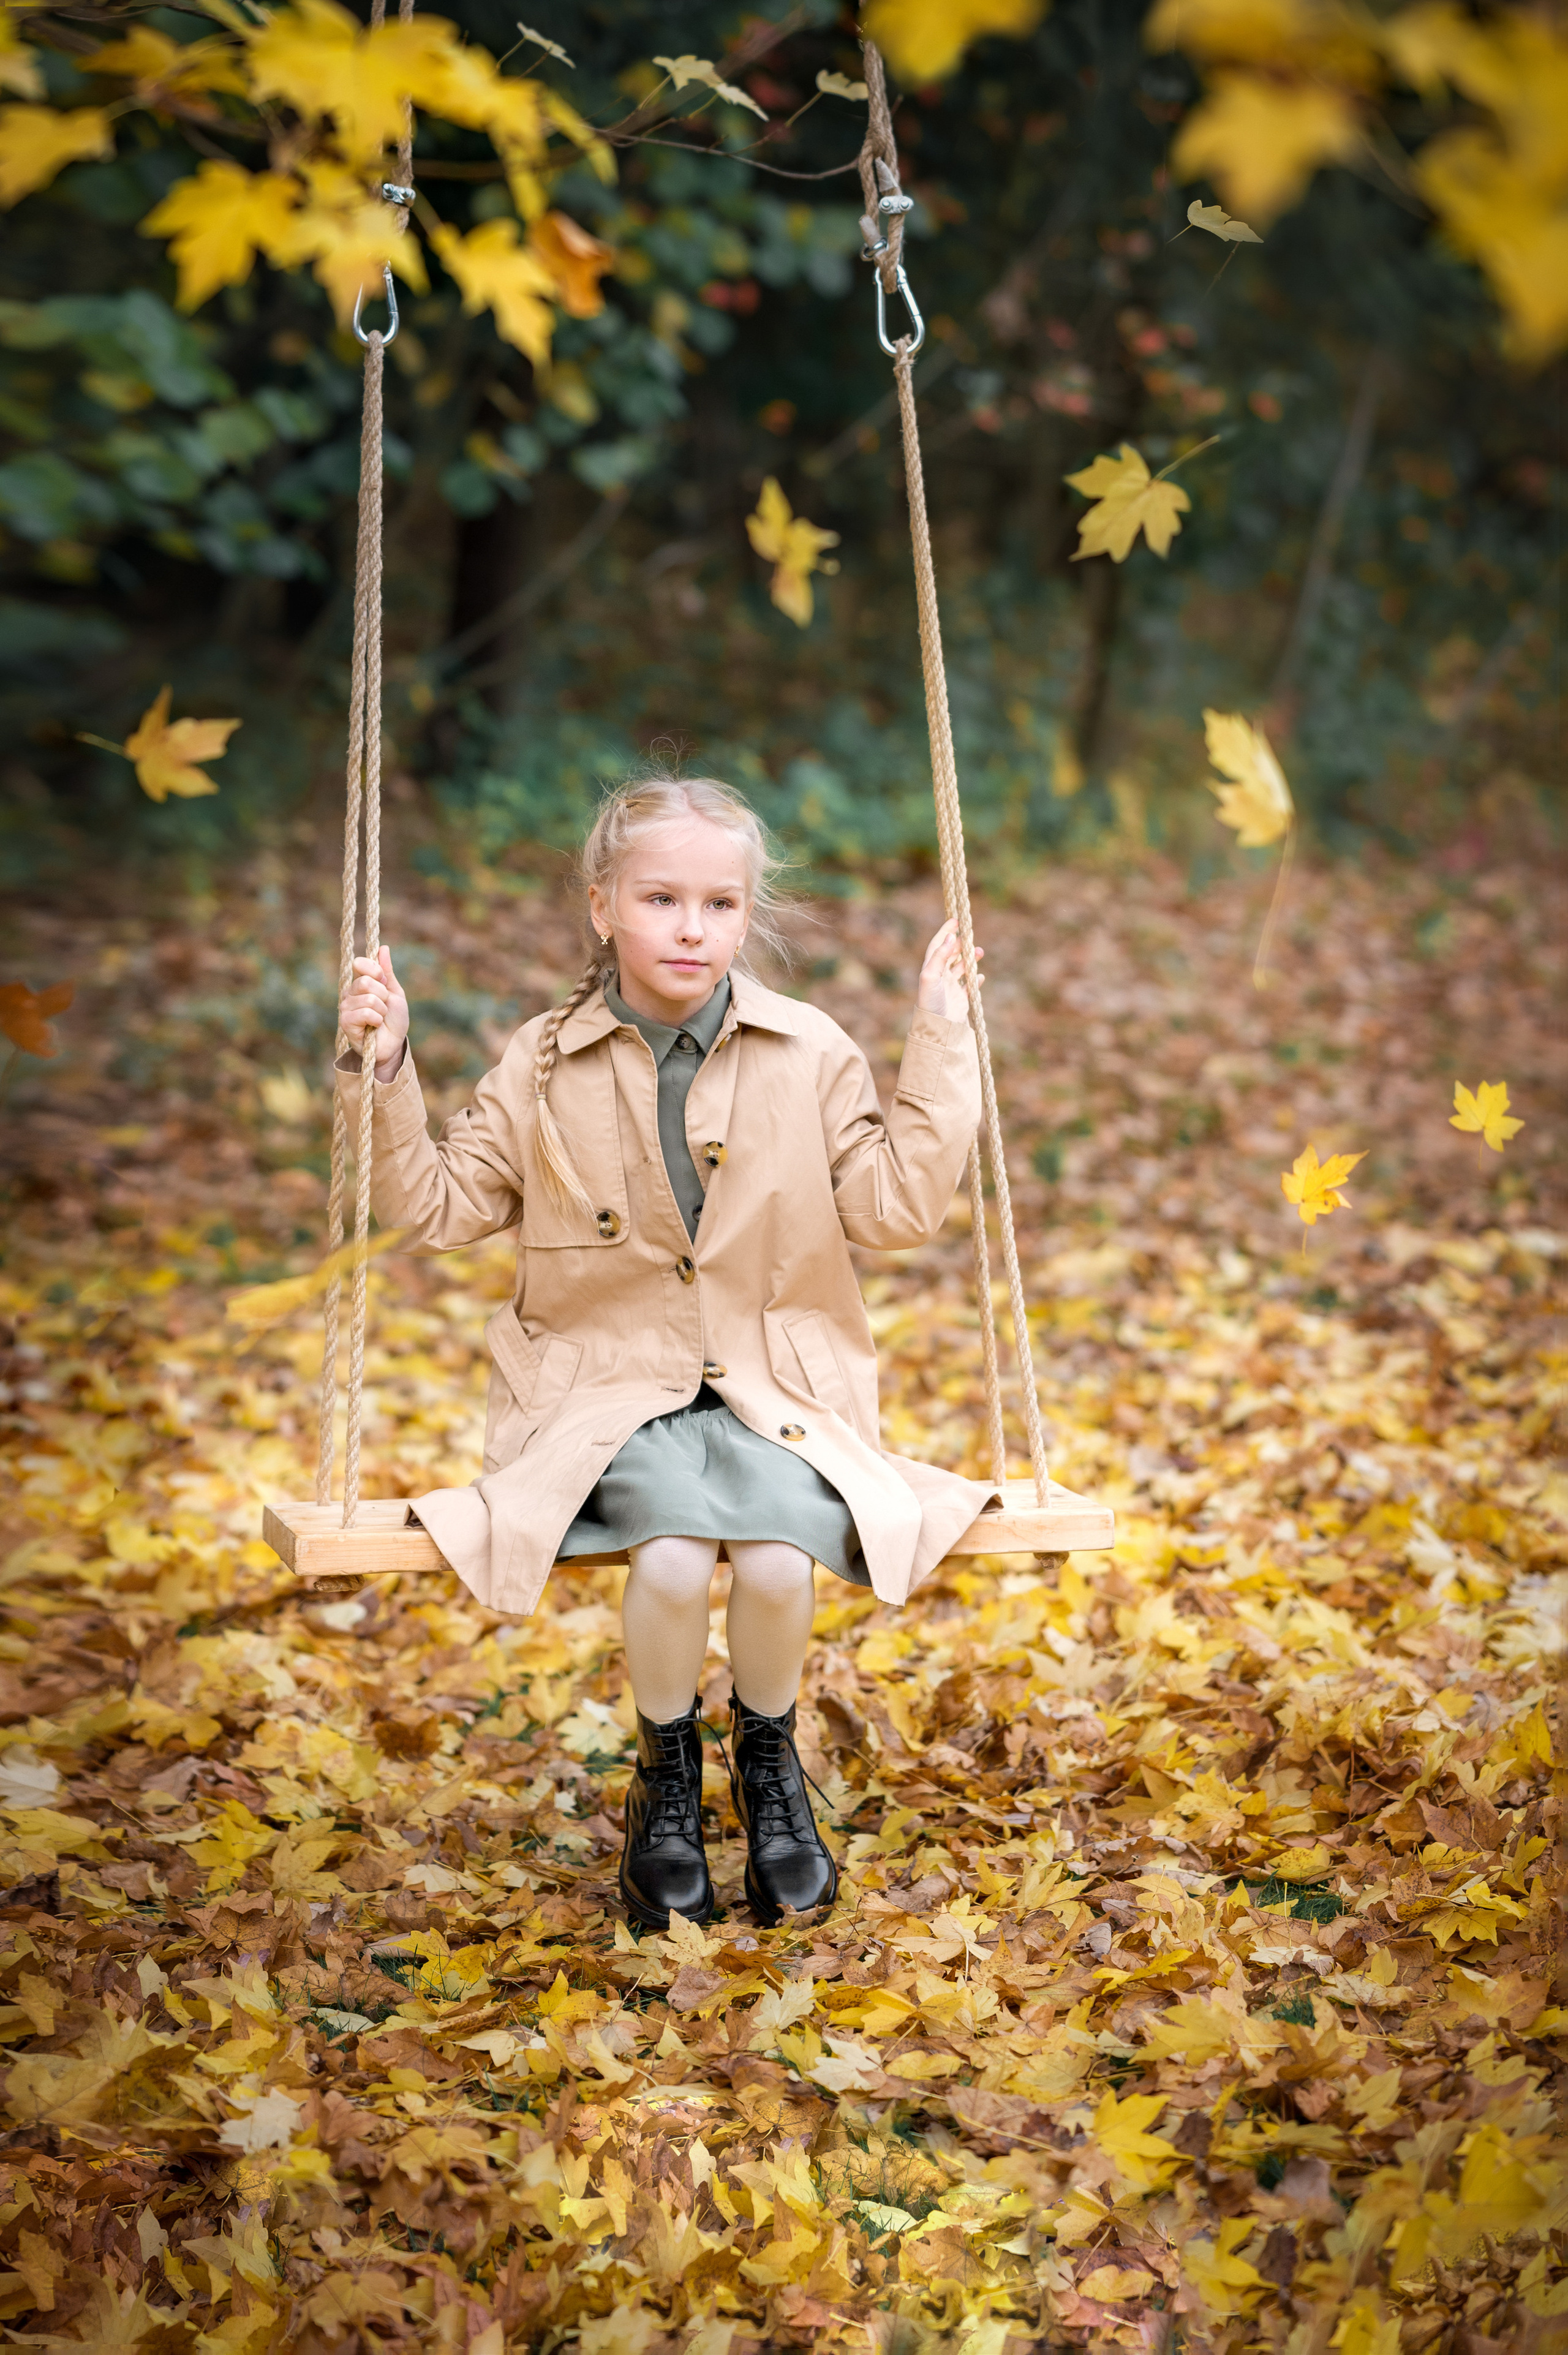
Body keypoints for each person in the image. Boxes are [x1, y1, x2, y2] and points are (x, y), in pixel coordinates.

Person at [336, 774, 995, 1930]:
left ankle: (773, 1767)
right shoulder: (542, 1063)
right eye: (661, 898)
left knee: (782, 1563)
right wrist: (388, 1066)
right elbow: (438, 1204)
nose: (693, 928)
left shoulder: (808, 1050)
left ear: (746, 914)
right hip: (608, 1391)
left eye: (721, 903)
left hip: (771, 1389)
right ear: (603, 907)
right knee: (679, 1559)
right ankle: (666, 1778)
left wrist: (940, 1040)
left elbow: (894, 1209)